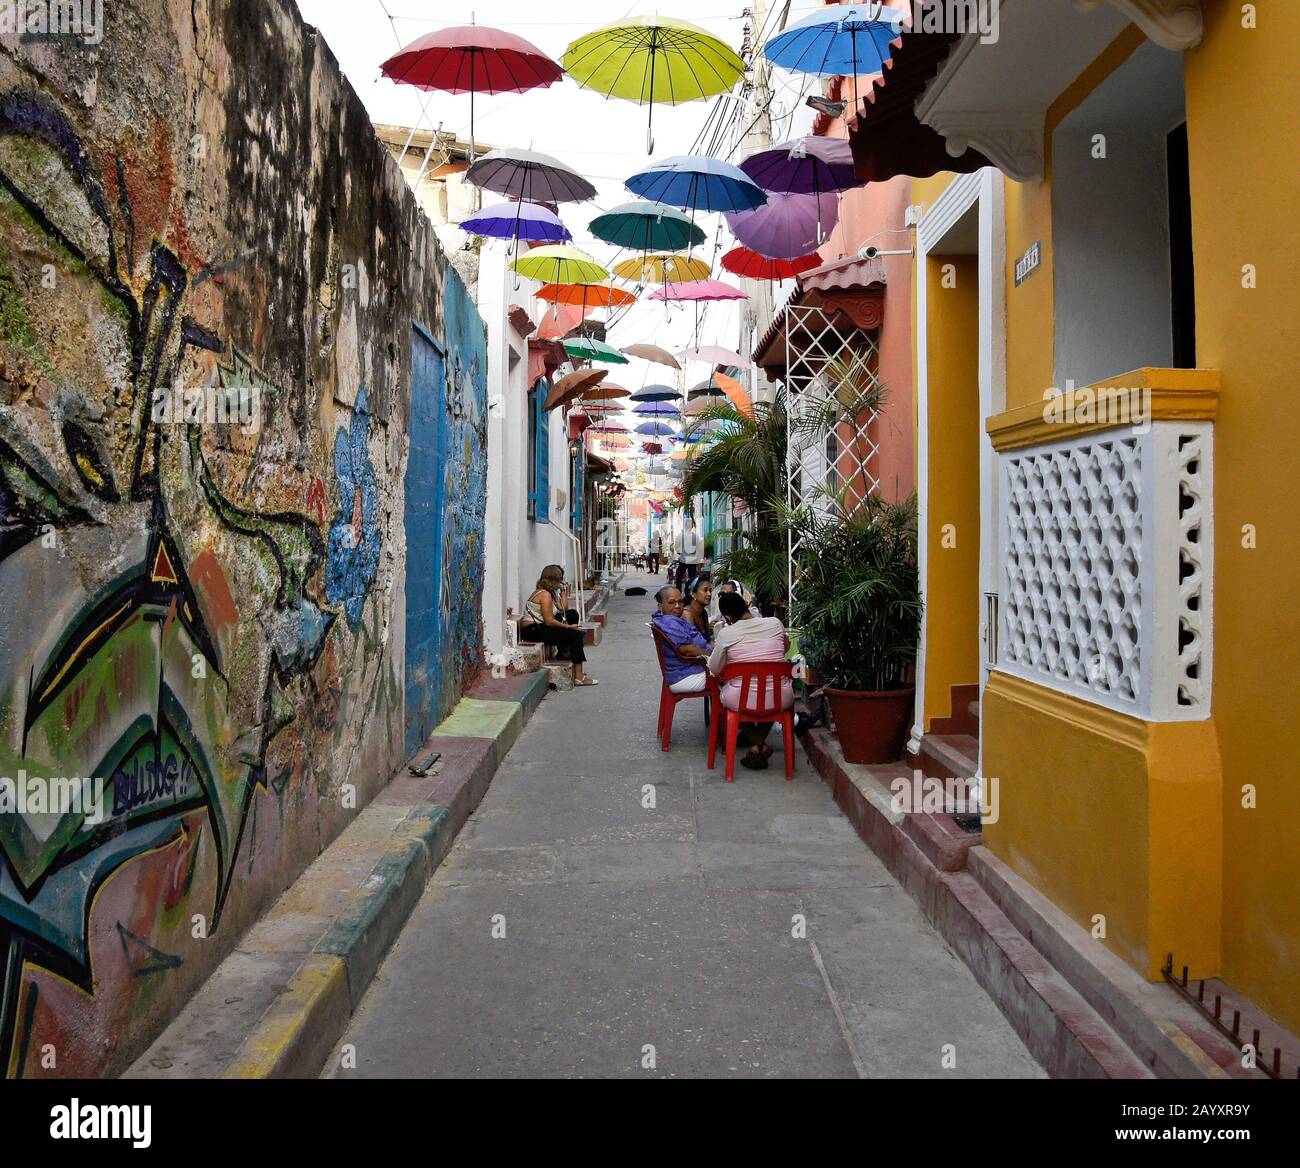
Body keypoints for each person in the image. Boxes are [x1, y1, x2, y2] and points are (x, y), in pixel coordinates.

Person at [708, 590, 794, 769]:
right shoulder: (775, 623)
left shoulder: (726, 633)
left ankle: (756, 744)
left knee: (733, 693)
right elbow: (785, 647)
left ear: (728, 616)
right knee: (771, 693)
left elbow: (715, 669)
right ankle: (759, 744)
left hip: (742, 699)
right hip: (781, 697)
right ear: (746, 605)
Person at [519, 565, 597, 686]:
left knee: (572, 614)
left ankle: (563, 652)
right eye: (560, 579)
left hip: (540, 626)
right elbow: (549, 621)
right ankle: (579, 676)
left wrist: (563, 591)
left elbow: (563, 609)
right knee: (575, 635)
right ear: (553, 579)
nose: (562, 581)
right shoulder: (544, 595)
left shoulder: (550, 593)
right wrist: (569, 627)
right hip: (532, 630)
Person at [651, 585, 710, 694]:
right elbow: (687, 650)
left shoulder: (673, 619)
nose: (677, 606)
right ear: (660, 606)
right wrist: (713, 656)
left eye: (680, 601)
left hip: (689, 668)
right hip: (685, 673)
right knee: (731, 673)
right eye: (671, 602)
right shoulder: (669, 622)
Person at [673, 518, 702, 592]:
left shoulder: (680, 535)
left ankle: (678, 591)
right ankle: (692, 592)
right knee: (692, 577)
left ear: (685, 526)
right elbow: (699, 547)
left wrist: (680, 553)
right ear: (692, 526)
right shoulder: (696, 536)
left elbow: (676, 546)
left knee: (679, 577)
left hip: (683, 559)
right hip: (692, 559)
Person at [682, 575, 714, 643]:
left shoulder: (703, 612)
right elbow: (693, 642)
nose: (709, 594)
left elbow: (708, 639)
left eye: (710, 590)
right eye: (705, 590)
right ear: (693, 594)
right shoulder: (687, 614)